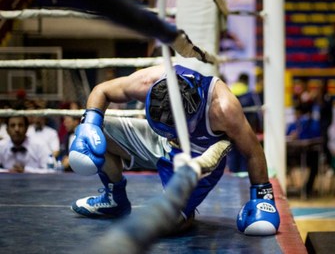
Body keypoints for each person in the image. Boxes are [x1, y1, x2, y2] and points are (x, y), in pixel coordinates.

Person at [68, 64, 280, 236]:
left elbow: (253, 151)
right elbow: (102, 90)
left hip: (197, 157)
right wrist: (89, 125)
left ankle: (183, 213)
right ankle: (114, 198)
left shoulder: (222, 108)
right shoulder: (150, 81)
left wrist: (263, 198)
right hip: (158, 140)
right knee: (99, 132)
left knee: (164, 225)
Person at [286, 104, 321, 198]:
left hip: (307, 155)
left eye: (299, 114)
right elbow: (286, 138)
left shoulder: (311, 124)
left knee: (316, 161)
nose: (297, 116)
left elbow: (315, 138)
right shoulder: (292, 126)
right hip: (292, 155)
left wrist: (300, 136)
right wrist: (291, 137)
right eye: (296, 113)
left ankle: (307, 188)